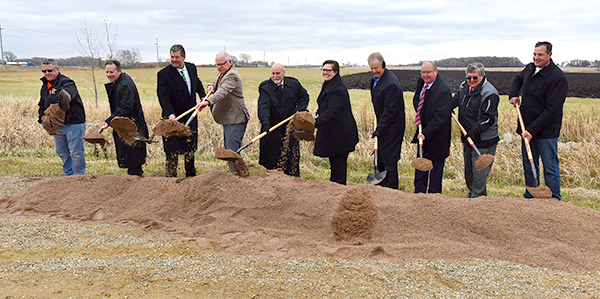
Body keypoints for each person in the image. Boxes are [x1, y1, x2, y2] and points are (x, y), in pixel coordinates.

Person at [509, 41, 568, 200]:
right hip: (526, 126)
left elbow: (552, 110)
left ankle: (554, 199)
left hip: (546, 131)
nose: (536, 57)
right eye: (535, 54)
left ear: (550, 55)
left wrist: (532, 131)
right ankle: (531, 196)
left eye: (540, 54)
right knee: (529, 165)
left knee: (550, 167)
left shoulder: (557, 78)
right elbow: (518, 79)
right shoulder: (529, 68)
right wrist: (513, 94)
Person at [451, 62, 499, 197]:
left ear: (482, 76)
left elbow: (488, 119)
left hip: (484, 140)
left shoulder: (490, 93)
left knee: (479, 173)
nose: (471, 80)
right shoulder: (463, 87)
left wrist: (472, 132)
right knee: (469, 171)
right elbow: (456, 100)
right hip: (468, 137)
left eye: (475, 78)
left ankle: (479, 201)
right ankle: (472, 194)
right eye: (469, 77)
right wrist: (447, 106)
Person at [157, 44, 206, 177]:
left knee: (190, 146)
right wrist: (170, 115)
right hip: (174, 117)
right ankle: (171, 176)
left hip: (191, 114)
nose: (174, 60)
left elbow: (197, 82)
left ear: (183, 57)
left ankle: (190, 174)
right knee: (172, 148)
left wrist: (202, 96)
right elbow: (163, 97)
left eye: (177, 57)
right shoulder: (164, 74)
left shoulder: (191, 68)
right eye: (172, 57)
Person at [197, 52, 250, 173]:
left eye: (222, 64)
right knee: (231, 150)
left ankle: (236, 176)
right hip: (229, 118)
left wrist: (207, 102)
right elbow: (216, 84)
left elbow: (222, 91)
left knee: (231, 151)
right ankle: (238, 174)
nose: (219, 67)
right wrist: (210, 86)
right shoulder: (223, 73)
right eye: (217, 64)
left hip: (236, 119)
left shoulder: (232, 76)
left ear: (230, 62)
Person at [257, 63, 310, 177]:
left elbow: (304, 97)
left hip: (290, 127)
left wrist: (299, 111)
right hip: (271, 128)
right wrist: (265, 123)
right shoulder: (265, 87)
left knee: (291, 157)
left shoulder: (294, 84)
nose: (275, 76)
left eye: (278, 73)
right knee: (271, 159)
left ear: (284, 73)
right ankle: (272, 180)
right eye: (273, 73)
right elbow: (263, 107)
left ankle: (292, 181)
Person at [37, 58, 86, 175]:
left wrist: (59, 100)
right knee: (62, 152)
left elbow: (66, 95)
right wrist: (41, 120)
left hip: (74, 123)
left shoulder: (67, 83)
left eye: (50, 70)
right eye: (44, 71)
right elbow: (42, 104)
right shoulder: (45, 86)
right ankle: (68, 176)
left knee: (75, 152)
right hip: (58, 125)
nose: (47, 73)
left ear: (57, 69)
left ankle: (79, 176)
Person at [313, 60, 359, 185]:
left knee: (339, 166)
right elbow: (324, 105)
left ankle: (338, 192)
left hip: (341, 135)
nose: (325, 73)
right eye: (323, 70)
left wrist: (314, 123)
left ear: (336, 72)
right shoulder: (330, 84)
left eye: (328, 70)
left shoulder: (338, 89)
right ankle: (335, 189)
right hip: (335, 134)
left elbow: (332, 112)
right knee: (335, 164)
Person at [102, 59, 149, 177]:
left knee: (133, 155)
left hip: (132, 125)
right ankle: (133, 177)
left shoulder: (125, 85)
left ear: (119, 71)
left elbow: (126, 108)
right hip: (124, 124)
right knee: (129, 155)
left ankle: (137, 180)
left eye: (111, 72)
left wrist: (110, 120)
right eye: (107, 72)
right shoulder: (120, 81)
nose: (109, 75)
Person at [411, 61, 452, 193]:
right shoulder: (423, 84)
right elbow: (417, 101)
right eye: (423, 72)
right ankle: (419, 198)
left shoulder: (443, 90)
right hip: (424, 135)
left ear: (435, 71)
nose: (425, 75)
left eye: (428, 72)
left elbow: (440, 118)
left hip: (437, 139)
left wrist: (425, 133)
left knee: (435, 174)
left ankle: (434, 203)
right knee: (420, 171)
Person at [367, 52, 405, 189]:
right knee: (381, 157)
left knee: (390, 160)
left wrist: (379, 129)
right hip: (384, 125)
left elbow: (390, 112)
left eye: (376, 68)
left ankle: (391, 190)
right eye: (371, 68)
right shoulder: (376, 79)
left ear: (383, 65)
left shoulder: (391, 84)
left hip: (392, 128)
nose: (374, 71)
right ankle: (381, 187)